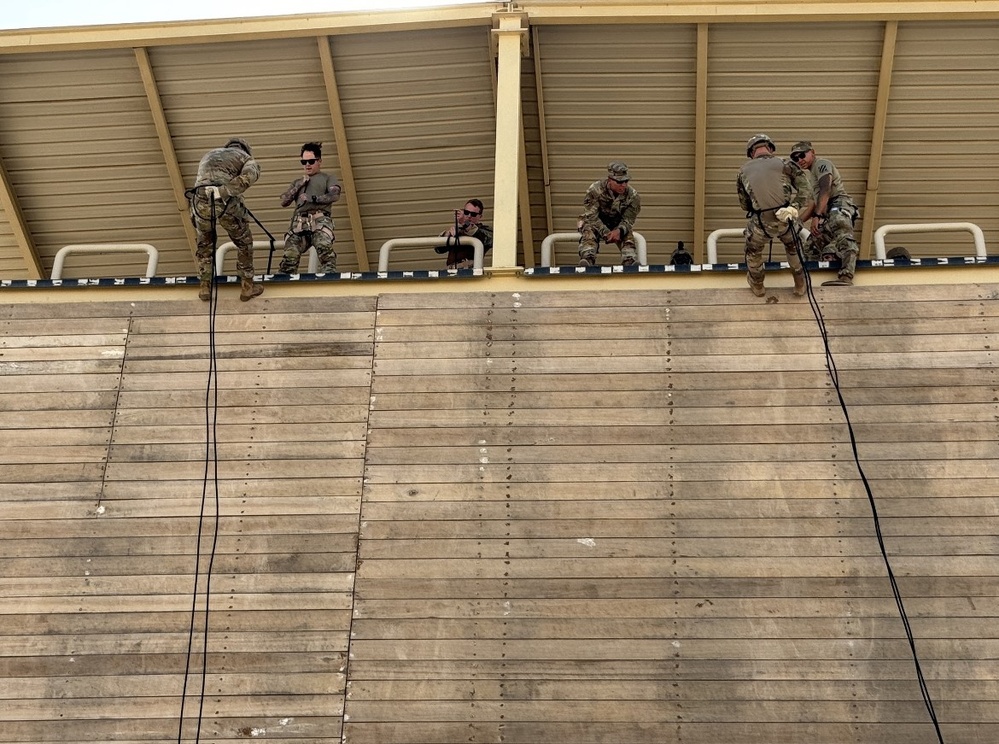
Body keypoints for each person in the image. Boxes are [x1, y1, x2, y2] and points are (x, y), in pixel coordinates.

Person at [190, 137, 263, 301]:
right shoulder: (245, 158)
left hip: (199, 202)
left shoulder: (209, 154)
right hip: (224, 202)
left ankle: (204, 287)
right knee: (244, 242)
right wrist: (223, 191)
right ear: (245, 149)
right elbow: (248, 177)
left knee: (205, 243)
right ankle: (247, 287)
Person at [737, 133, 810, 297]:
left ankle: (758, 286)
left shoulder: (743, 172)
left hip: (762, 222)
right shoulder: (785, 164)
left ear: (751, 152)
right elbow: (805, 189)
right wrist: (793, 207)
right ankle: (800, 284)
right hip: (787, 219)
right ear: (770, 148)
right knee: (793, 248)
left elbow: (744, 204)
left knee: (753, 250)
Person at [790, 140, 860, 287]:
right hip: (826, 214)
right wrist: (796, 222)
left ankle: (846, 275)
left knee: (843, 237)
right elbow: (812, 205)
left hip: (838, 205)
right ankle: (812, 281)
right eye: (795, 158)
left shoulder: (822, 164)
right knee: (811, 245)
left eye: (802, 155)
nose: (799, 160)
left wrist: (818, 216)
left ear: (812, 152)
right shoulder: (811, 177)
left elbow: (825, 189)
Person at [278, 142, 342, 274]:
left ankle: (329, 280)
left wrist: (313, 198)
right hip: (299, 224)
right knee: (290, 255)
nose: (307, 164)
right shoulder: (298, 182)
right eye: (304, 161)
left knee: (324, 248)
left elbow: (334, 195)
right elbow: (284, 201)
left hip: (319, 221)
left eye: (311, 161)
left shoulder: (328, 178)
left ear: (319, 161)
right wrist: (298, 186)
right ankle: (285, 283)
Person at [577, 162, 642, 267]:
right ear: (610, 180)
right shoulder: (595, 190)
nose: (623, 185)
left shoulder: (633, 196)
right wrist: (606, 232)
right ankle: (588, 260)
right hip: (596, 222)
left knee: (627, 234)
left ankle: (629, 260)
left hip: (617, 223)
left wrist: (619, 231)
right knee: (588, 230)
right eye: (619, 182)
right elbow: (591, 216)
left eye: (626, 181)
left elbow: (629, 219)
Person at [436, 199, 493, 269]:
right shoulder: (459, 230)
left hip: (470, 272)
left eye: (473, 214)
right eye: (466, 212)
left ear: (480, 216)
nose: (469, 216)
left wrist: (465, 223)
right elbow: (439, 249)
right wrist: (447, 234)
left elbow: (486, 238)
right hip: (452, 272)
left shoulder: (485, 231)